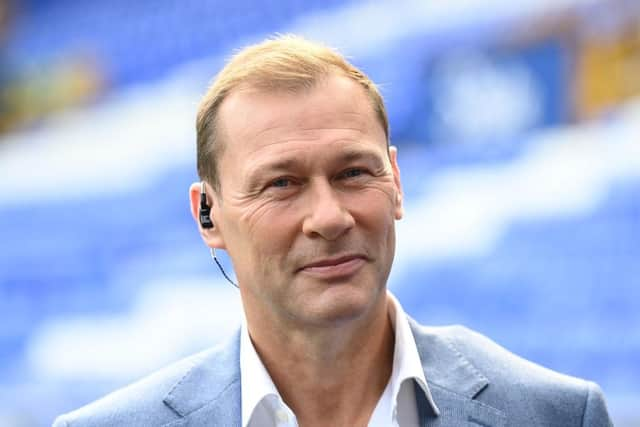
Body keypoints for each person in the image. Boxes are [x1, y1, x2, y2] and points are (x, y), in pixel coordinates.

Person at [53, 35, 613, 427]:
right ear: (209, 215)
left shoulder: (555, 415)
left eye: (352, 173)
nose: (328, 218)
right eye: (281, 184)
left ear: (396, 182)